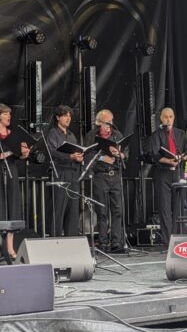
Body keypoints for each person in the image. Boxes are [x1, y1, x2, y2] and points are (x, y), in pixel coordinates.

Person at [0, 103, 30, 261]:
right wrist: (11, 151)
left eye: (9, 114)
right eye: (5, 114)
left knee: (11, 208)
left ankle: (10, 247)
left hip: (11, 172)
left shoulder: (13, 134)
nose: (8, 116)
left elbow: (19, 157)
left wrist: (24, 153)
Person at [85, 109, 128, 253]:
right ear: (99, 123)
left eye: (111, 121)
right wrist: (103, 158)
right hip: (100, 176)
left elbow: (125, 153)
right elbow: (87, 154)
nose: (110, 124)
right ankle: (103, 242)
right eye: (106, 122)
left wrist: (120, 155)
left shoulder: (117, 135)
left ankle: (117, 242)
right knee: (102, 211)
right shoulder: (92, 135)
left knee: (117, 210)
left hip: (115, 175)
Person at [150, 107, 187, 248]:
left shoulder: (180, 134)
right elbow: (154, 154)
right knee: (165, 208)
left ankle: (179, 238)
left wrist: (182, 157)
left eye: (171, 117)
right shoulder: (157, 135)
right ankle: (168, 241)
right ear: (161, 119)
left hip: (178, 173)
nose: (168, 119)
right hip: (163, 174)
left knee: (179, 207)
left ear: (174, 118)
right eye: (165, 117)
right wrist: (168, 161)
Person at [46, 105, 83, 237]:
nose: (68, 118)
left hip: (73, 173)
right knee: (59, 208)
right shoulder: (53, 133)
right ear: (57, 117)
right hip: (60, 173)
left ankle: (71, 239)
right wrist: (70, 156)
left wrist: (78, 157)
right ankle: (55, 239)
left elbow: (76, 151)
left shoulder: (72, 135)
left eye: (69, 116)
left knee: (73, 209)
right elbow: (52, 152)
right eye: (65, 115)